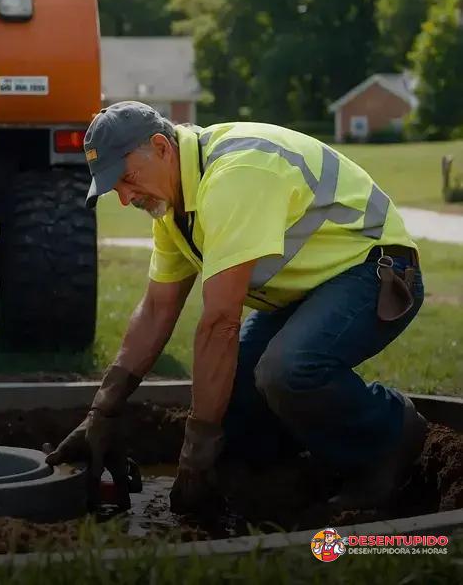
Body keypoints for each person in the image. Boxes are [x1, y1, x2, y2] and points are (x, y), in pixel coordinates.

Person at [45, 101, 427, 515]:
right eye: (112, 188)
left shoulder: (237, 172)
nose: (124, 198)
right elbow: (157, 310)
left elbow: (220, 323)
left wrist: (194, 456)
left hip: (376, 271)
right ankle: (295, 473)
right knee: (233, 402)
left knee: (286, 371)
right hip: (306, 293)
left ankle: (390, 435)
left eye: (125, 178)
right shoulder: (173, 209)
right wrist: (103, 411)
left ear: (161, 147)